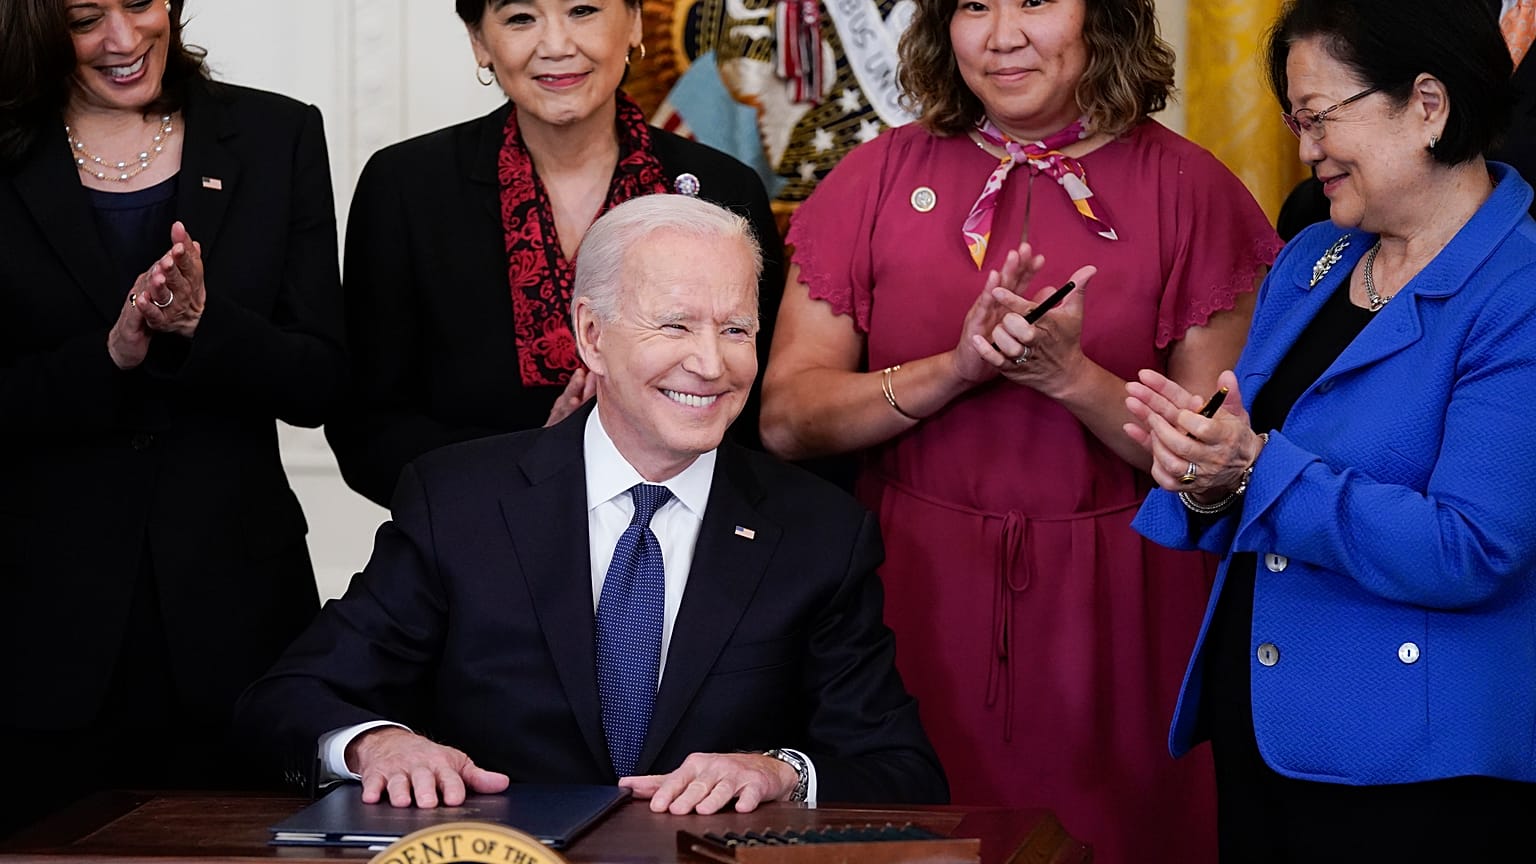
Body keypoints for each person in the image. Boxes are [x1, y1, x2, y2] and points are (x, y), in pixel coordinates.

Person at [758, 1, 1281, 860]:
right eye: (973, 5)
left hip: (1124, 609)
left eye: (1035, 0)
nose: (1002, 35)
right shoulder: (874, 177)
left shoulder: (1192, 189)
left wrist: (1071, 379)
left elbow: (1210, 472)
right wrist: (954, 369)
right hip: (909, 598)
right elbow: (784, 422)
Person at [234, 195, 947, 814]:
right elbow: (290, 698)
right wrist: (377, 744)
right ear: (592, 335)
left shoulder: (819, 531)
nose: (711, 362)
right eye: (675, 326)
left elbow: (903, 772)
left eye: (735, 329)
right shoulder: (460, 503)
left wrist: (781, 773)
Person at [1125, 1, 1536, 860]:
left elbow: (1473, 547)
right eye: (1294, 119)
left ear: (1428, 105)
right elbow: (1250, 464)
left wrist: (1256, 470)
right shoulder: (1316, 256)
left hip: (1412, 768)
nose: (1306, 148)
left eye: (1319, 118)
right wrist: (1204, 471)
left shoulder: (1517, 287)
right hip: (1270, 726)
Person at [0, 0, 343, 837]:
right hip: (40, 632)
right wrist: (107, 358)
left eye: (141, 3)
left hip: (236, 621)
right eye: (85, 18)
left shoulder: (275, 134)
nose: (123, 39)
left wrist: (203, 327)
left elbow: (322, 382)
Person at [323, 0, 783, 508]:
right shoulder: (407, 187)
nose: (558, 46)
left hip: (686, 536)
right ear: (479, 42)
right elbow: (367, 434)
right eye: (521, 18)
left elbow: (763, 417)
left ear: (633, 23)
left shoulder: (721, 187)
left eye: (583, 11)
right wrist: (539, 462)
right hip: (476, 539)